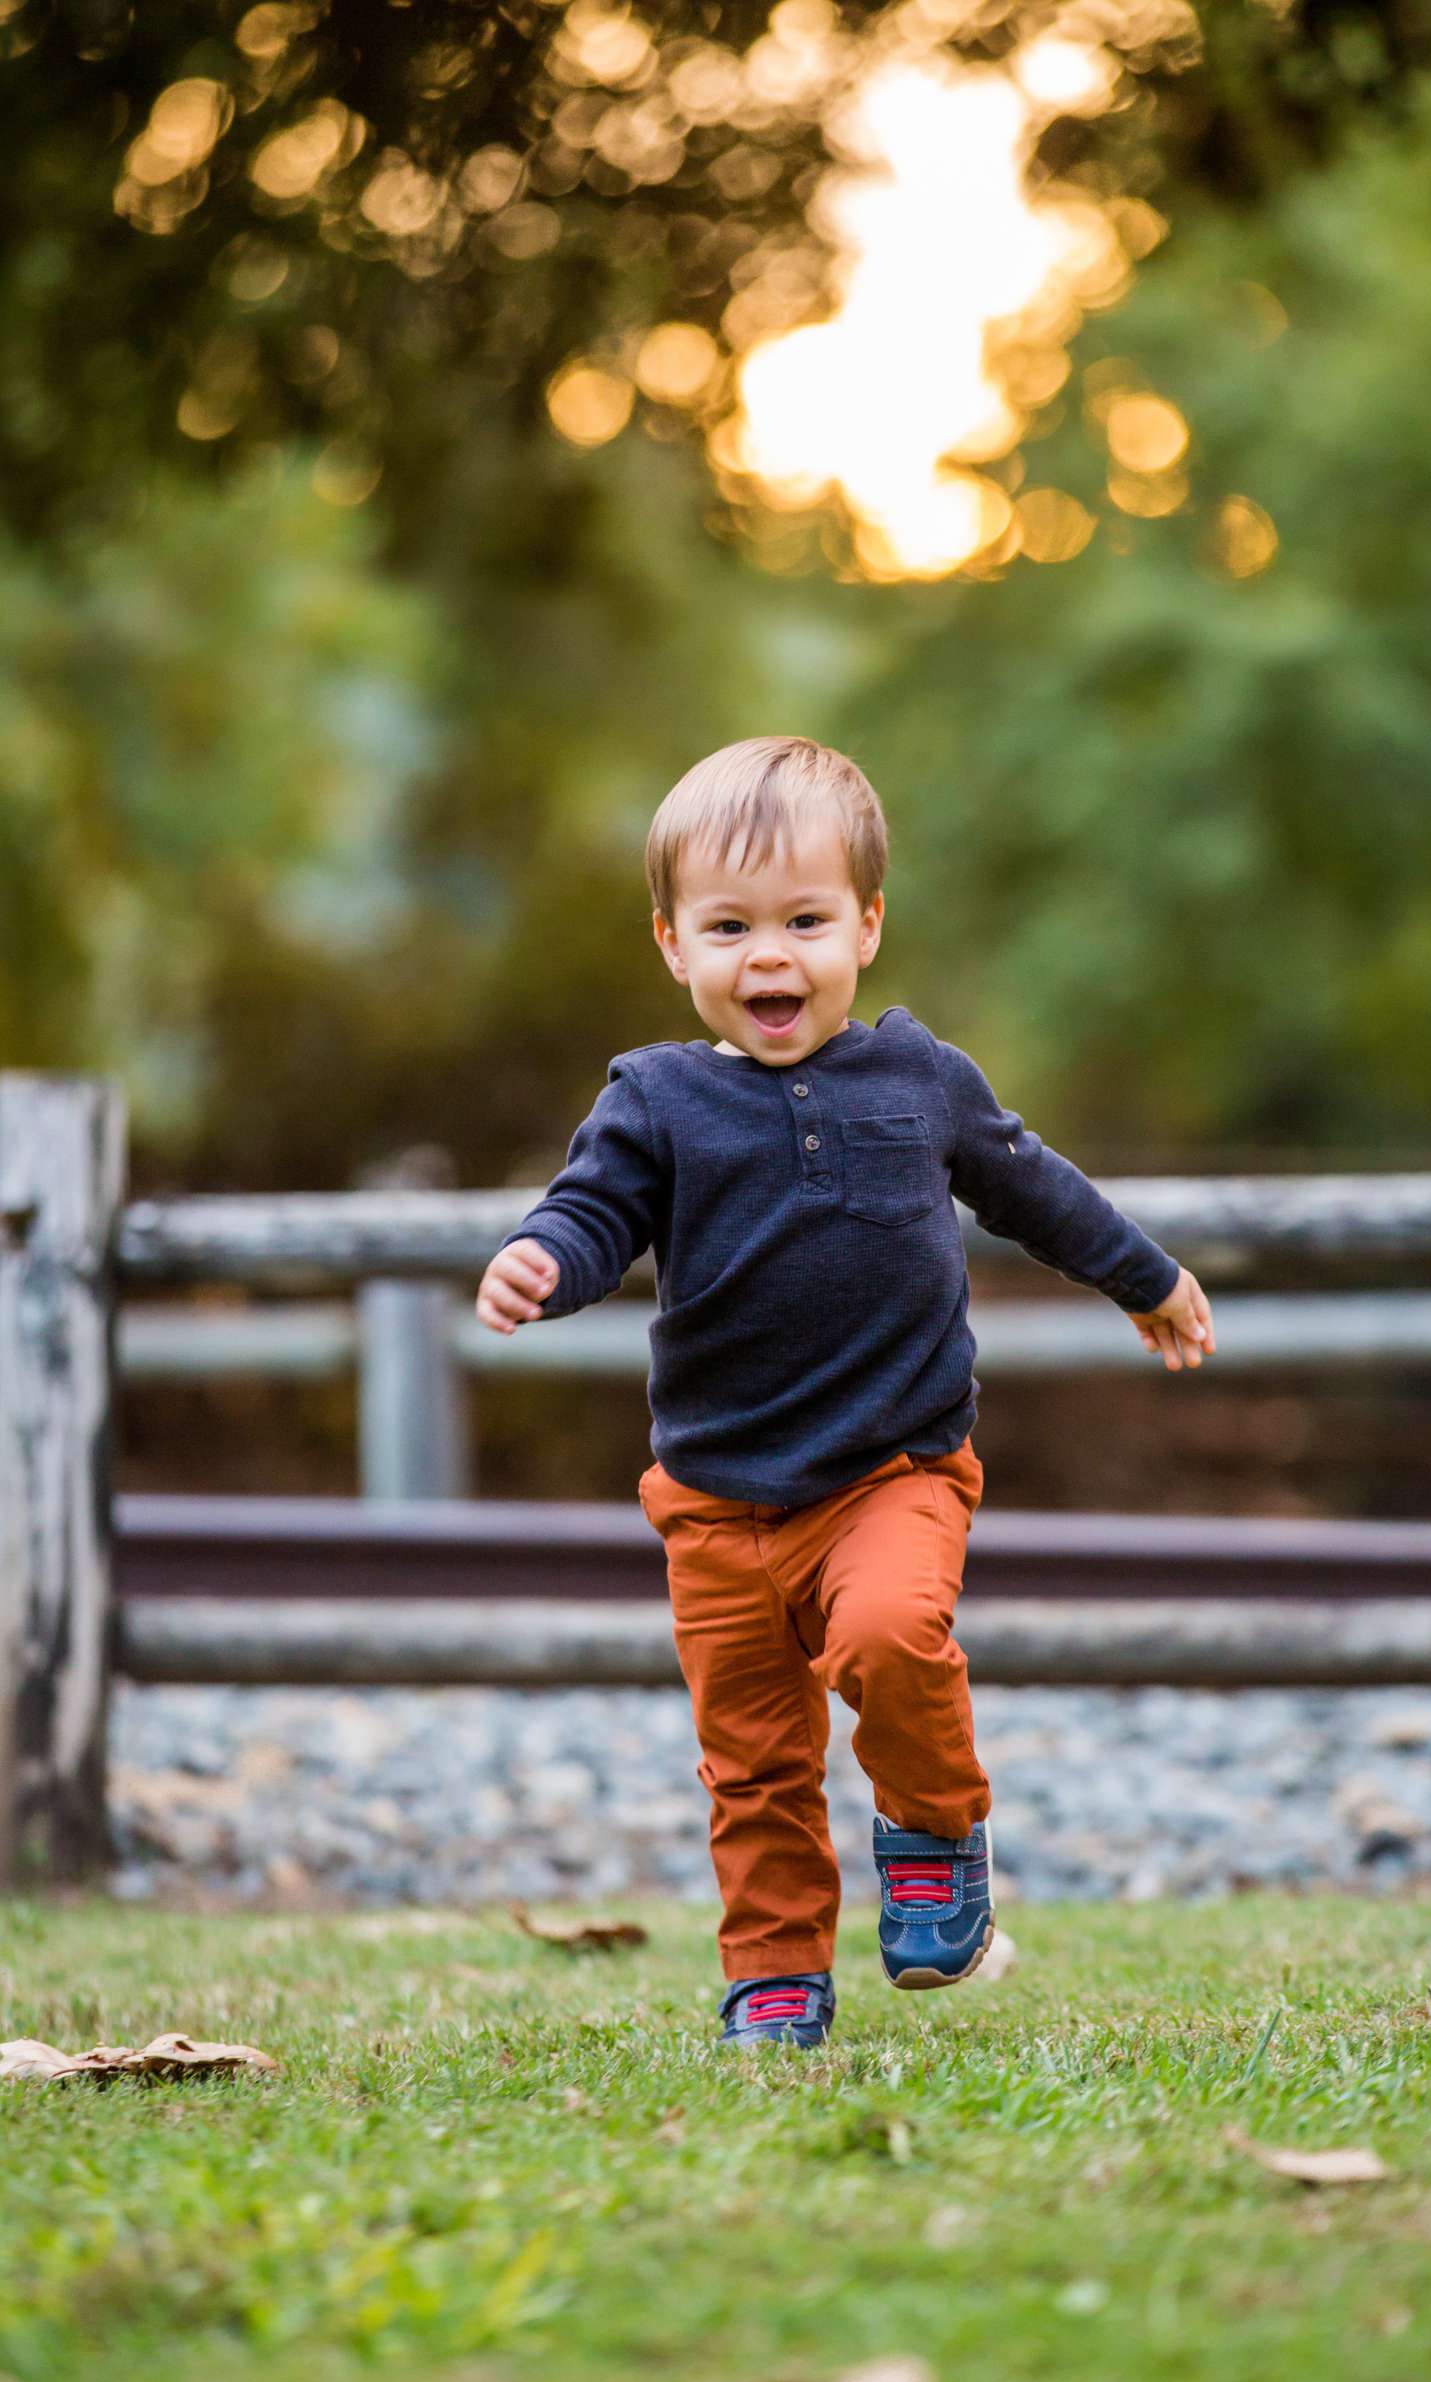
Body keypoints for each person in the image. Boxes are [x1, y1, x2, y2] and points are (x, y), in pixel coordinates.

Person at [475, 735, 1214, 2050]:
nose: (772, 955)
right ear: (673, 946)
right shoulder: (653, 1100)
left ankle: (934, 1828)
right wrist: (547, 1260)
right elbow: (597, 1212)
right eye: (731, 926)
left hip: (893, 1468)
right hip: (715, 1504)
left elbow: (1036, 1190)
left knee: (885, 1639)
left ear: (866, 926)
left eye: (806, 921)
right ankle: (775, 1969)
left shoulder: (921, 1081)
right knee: (754, 1759)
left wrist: (1145, 1276)